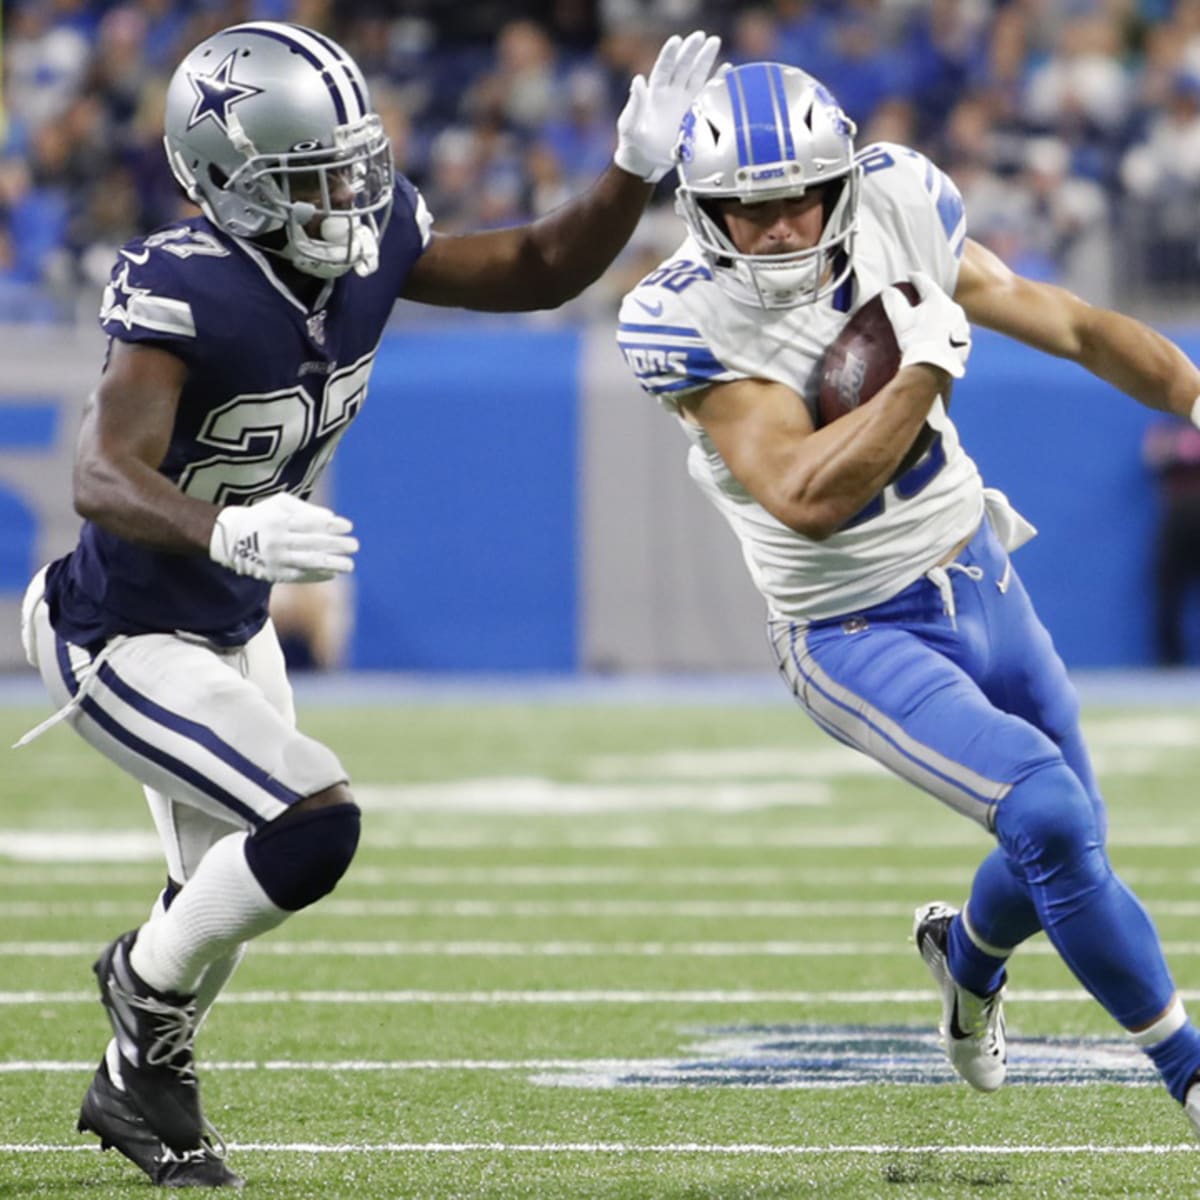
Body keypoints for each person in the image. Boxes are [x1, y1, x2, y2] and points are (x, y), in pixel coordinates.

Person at [17, 20, 720, 1189]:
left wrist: (630, 173)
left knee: (223, 903)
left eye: (351, 163)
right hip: (118, 635)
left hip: (229, 623)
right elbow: (99, 475)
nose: (349, 193)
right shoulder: (183, 282)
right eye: (310, 176)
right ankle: (136, 989)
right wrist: (224, 524)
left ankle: (137, 1079)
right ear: (228, 182)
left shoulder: (372, 237)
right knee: (311, 823)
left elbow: (540, 268)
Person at [616, 62, 1200, 1138]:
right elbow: (805, 497)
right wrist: (923, 374)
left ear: (842, 183)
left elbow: (1064, 322)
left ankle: (965, 961)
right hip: (852, 626)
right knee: (1050, 813)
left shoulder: (897, 201)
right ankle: (1190, 1072)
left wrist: (1193, 391)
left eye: (800, 197)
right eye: (748, 208)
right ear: (703, 214)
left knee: (1070, 841)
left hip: (977, 564)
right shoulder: (681, 319)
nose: (782, 227)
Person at [1143, 415, 1200, 665]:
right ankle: (1170, 659)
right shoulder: (1172, 427)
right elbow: (1152, 455)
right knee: (1169, 589)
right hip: (1177, 518)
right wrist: (1175, 446)